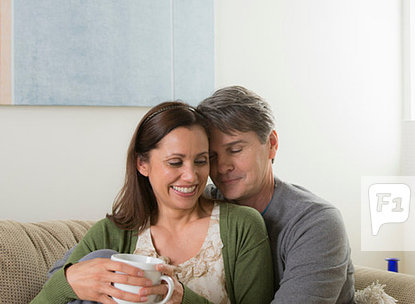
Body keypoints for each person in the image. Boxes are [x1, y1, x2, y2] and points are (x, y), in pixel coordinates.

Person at [33, 101, 274, 304]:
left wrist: (182, 299)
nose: (191, 176)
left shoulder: (242, 226)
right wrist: (69, 281)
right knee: (102, 257)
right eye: (175, 162)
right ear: (142, 164)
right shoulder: (111, 233)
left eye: (201, 161)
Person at [199, 86, 355, 304]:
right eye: (212, 156)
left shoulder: (317, 223)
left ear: (271, 144)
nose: (223, 167)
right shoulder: (202, 206)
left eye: (235, 150)